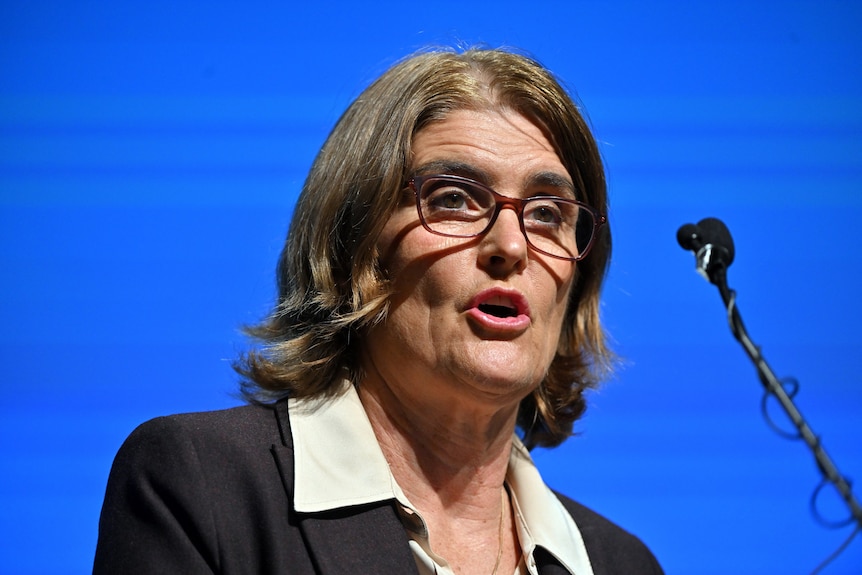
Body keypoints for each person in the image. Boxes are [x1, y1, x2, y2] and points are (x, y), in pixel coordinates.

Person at [93, 47, 664, 575]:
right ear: (354, 251)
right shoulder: (204, 488)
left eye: (547, 214)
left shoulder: (621, 564)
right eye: (454, 199)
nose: (512, 246)